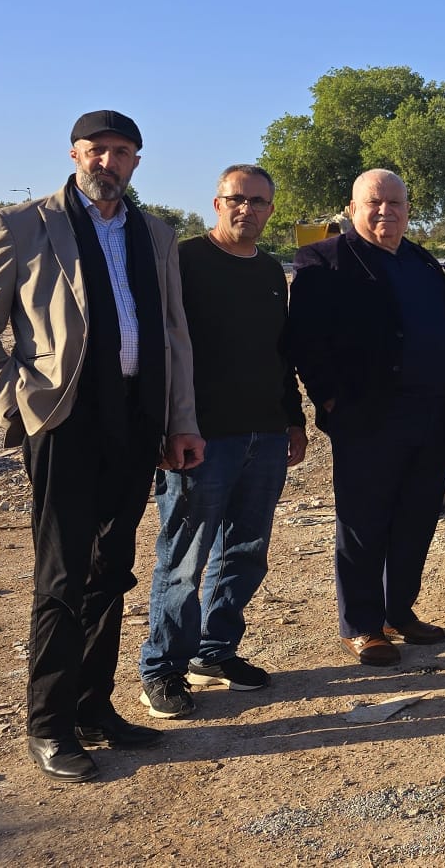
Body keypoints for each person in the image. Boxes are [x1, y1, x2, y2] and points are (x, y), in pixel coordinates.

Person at [0, 110, 202, 782]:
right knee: (62, 576)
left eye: (122, 152)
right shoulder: (22, 225)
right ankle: (50, 725)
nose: (108, 162)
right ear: (74, 154)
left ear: (136, 162)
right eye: (97, 150)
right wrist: (19, 403)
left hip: (138, 419)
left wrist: (181, 422)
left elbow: (173, 334)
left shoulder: (155, 233)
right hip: (64, 421)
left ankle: (94, 708)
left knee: (112, 568)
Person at [137, 164, 307, 719]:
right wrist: (167, 428)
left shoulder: (269, 270)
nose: (247, 210)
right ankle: (162, 667)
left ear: (271, 210)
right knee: (185, 558)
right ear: (217, 203)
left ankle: (215, 651)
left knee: (245, 553)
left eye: (258, 202)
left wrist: (293, 419)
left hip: (264, 435)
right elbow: (161, 349)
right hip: (201, 439)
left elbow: (279, 354)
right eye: (237, 199)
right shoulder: (184, 261)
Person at [287, 169, 445, 665]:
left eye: (395, 203)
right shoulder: (325, 260)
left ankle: (397, 612)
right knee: (364, 523)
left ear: (408, 209)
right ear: (352, 208)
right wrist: (330, 400)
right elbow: (305, 341)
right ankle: (362, 625)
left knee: (416, 518)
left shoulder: (423, 262)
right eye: (374, 202)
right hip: (367, 419)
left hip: (431, 416)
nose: (386, 211)